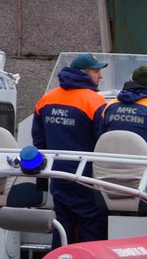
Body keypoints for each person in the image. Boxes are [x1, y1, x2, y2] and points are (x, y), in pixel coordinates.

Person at [32, 54, 111, 244]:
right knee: (91, 226)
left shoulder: (46, 100)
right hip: (87, 179)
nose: (100, 76)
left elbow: (38, 141)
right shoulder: (96, 102)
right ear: (83, 73)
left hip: (57, 176)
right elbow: (104, 143)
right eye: (96, 71)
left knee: (62, 225)